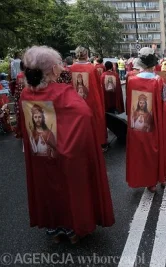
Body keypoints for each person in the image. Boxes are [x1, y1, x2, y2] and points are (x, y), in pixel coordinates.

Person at [19, 46, 114, 243]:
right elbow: (85, 114)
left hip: (41, 151)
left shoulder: (25, 94)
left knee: (46, 186)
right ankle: (73, 229)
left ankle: (54, 229)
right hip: (65, 151)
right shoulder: (63, 92)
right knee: (68, 188)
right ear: (53, 69)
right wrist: (72, 140)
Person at [126, 47, 166, 192]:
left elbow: (129, 103)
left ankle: (149, 182)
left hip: (137, 125)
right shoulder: (159, 81)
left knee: (143, 152)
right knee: (159, 148)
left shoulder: (131, 81)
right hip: (157, 123)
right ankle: (161, 177)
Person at [70, 46, 107, 149]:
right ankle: (97, 142)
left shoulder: (71, 68)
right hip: (91, 101)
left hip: (76, 101)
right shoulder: (91, 68)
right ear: (86, 55)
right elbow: (97, 85)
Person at [14, 61, 25, 138]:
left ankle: (22, 132)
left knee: (21, 116)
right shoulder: (31, 74)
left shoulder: (19, 76)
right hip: (30, 98)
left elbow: (18, 88)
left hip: (21, 98)